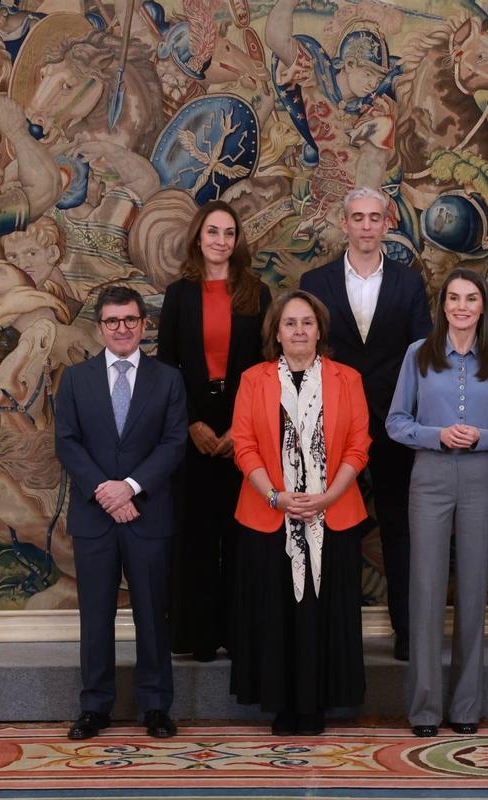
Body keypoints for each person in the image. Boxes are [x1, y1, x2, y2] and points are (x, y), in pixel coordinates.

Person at [386, 268, 488, 738]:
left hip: (481, 477)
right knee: (425, 590)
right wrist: (437, 434)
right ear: (442, 305)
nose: (462, 306)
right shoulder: (417, 355)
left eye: (471, 298)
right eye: (453, 298)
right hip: (429, 474)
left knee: (472, 592)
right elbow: (396, 422)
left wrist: (480, 437)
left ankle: (465, 706)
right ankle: (424, 709)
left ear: (483, 306)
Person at [229, 290, 371, 736]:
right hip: (269, 514)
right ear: (275, 332)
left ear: (320, 330)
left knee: (321, 613)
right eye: (290, 323)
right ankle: (282, 706)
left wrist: (326, 497)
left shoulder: (347, 379)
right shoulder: (254, 380)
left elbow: (359, 446)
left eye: (307, 322)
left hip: (334, 514)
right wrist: (275, 495)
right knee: (278, 616)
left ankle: (318, 705)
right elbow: (244, 446)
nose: (299, 331)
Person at [300, 186, 432, 662]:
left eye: (375, 218)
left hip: (395, 422)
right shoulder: (314, 281)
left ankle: (407, 631)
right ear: (344, 223)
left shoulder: (409, 282)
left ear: (387, 223)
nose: (366, 226)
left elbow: (422, 352)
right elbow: (306, 353)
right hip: (331, 422)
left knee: (401, 528)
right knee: (332, 527)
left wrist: (408, 412)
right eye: (358, 218)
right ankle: (334, 635)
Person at [54, 285, 188, 741]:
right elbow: (67, 442)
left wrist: (129, 488)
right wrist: (105, 492)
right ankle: (94, 707)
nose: (122, 328)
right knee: (95, 615)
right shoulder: (75, 379)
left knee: (153, 613)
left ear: (144, 324)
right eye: (113, 321)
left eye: (131, 319)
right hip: (95, 517)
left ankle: (155, 707)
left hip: (147, 513)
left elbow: (173, 443)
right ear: (100, 327)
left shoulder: (167, 379)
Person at [158, 200, 273, 662]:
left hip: (244, 420)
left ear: (237, 241)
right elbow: (166, 366)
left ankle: (242, 633)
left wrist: (239, 429)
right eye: (213, 232)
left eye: (229, 233)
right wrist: (191, 423)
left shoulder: (256, 292)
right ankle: (198, 636)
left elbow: (269, 365)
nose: (221, 241)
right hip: (194, 420)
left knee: (243, 535)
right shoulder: (178, 294)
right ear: (198, 239)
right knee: (197, 533)